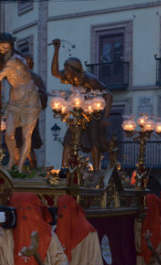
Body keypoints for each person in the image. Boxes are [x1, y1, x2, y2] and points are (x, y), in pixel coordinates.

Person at [0, 33, 41, 171]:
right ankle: (12, 160)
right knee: (9, 133)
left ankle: (20, 166)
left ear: (11, 45)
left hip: (29, 99)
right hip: (15, 100)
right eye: (0, 45)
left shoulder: (14, 60)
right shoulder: (8, 59)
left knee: (27, 134)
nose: (2, 48)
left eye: (5, 45)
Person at [51, 38, 113, 170]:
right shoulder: (69, 77)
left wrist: (105, 117)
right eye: (65, 70)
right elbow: (55, 72)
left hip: (93, 113)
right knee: (68, 139)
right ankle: (64, 169)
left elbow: (108, 94)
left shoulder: (90, 80)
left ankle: (96, 170)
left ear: (75, 70)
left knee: (93, 140)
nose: (65, 72)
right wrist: (56, 50)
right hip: (78, 113)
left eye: (67, 70)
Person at [14, 53, 47, 169]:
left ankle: (34, 168)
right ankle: (18, 168)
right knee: (17, 144)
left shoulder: (36, 78)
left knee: (28, 145)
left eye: (29, 63)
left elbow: (43, 95)